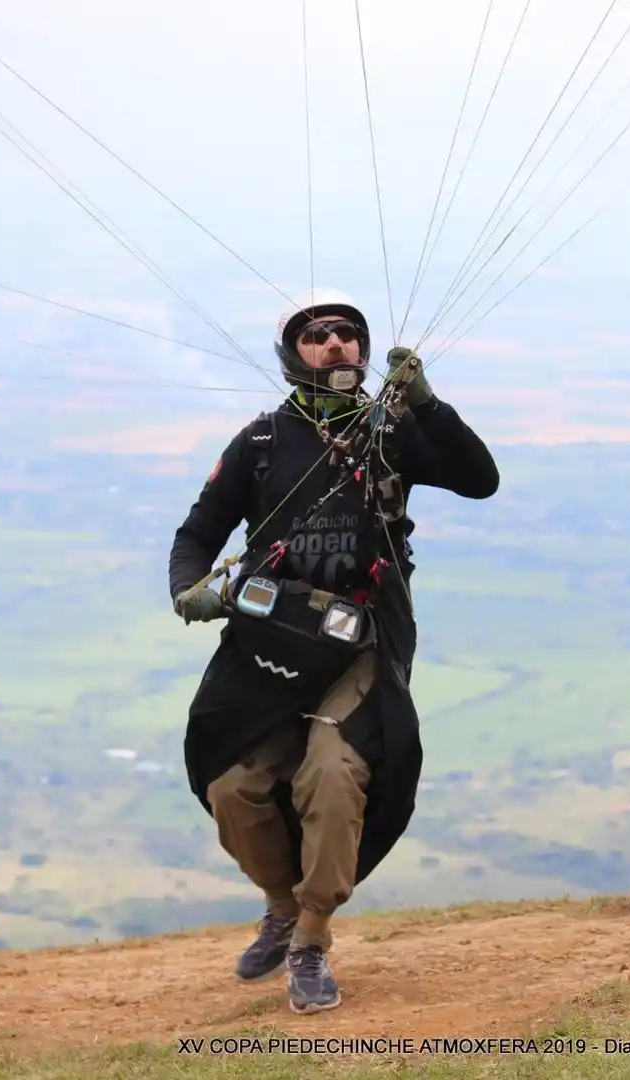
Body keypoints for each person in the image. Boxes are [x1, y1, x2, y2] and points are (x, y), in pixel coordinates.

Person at [168, 287, 499, 1014]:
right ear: (292, 354)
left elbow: (481, 481)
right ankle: (283, 908)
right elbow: (198, 532)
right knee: (233, 783)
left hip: (362, 638)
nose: (335, 344)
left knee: (334, 773)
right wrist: (190, 588)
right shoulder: (258, 444)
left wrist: (430, 408)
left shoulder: (392, 433)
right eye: (316, 334)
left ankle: (311, 943)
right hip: (271, 635)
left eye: (348, 332)